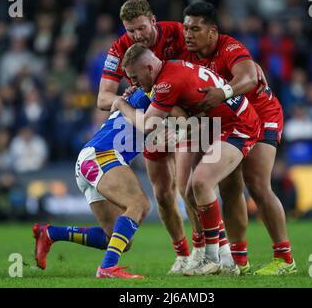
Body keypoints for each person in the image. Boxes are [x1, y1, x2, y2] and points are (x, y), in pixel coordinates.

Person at [112, 43, 261, 276]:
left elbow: (147, 125)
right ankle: (222, 256)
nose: (133, 84)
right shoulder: (168, 70)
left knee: (201, 183)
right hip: (215, 125)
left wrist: (121, 104)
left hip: (238, 126)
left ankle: (215, 257)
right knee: (191, 191)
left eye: (134, 77)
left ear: (149, 68)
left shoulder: (167, 82)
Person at [180, 2, 296, 275]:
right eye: (186, 28)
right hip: (228, 121)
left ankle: (285, 259)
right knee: (229, 187)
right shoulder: (187, 51)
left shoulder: (231, 48)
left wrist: (222, 92)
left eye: (195, 29)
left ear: (213, 32)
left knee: (256, 184)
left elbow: (248, 78)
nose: (188, 34)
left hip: (262, 113)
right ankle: (238, 260)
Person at [97, 0, 201, 274]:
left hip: (184, 118)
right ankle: (182, 255)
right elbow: (103, 98)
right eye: (131, 31)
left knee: (187, 187)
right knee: (162, 193)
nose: (136, 36)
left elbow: (204, 69)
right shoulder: (120, 48)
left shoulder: (179, 33)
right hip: (151, 121)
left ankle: (206, 251)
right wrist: (123, 100)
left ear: (153, 20)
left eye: (141, 29)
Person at [33, 88, 153, 279]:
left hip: (90, 159)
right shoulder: (157, 90)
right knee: (139, 204)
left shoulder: (147, 92)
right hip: (102, 154)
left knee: (116, 238)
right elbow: (150, 122)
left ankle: (50, 233)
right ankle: (107, 268)